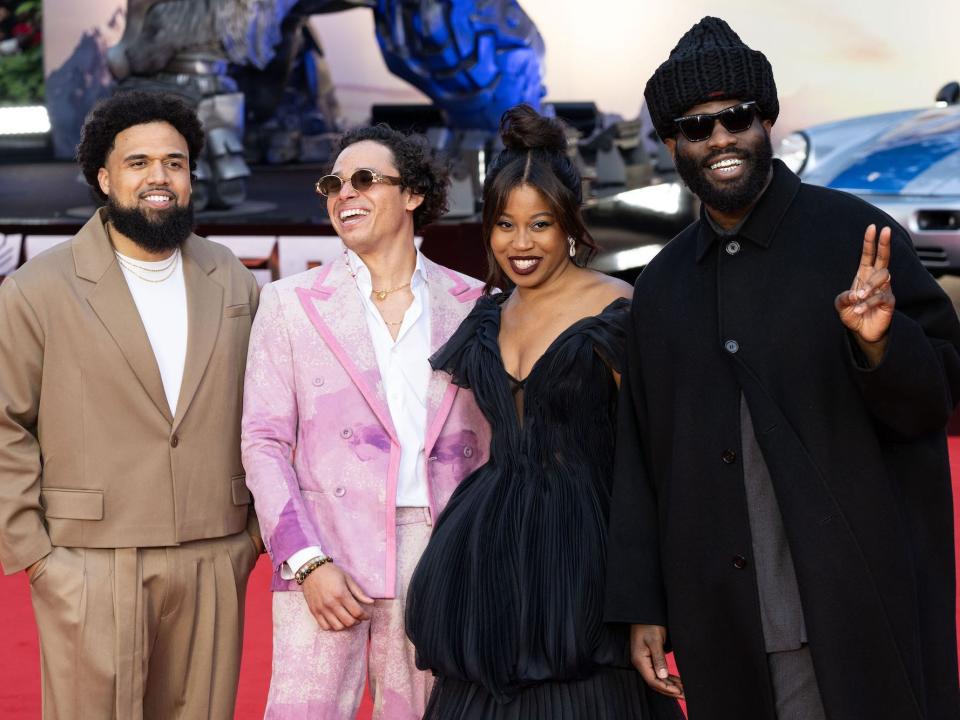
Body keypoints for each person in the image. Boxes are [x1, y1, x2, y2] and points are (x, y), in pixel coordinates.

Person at [605, 16, 960, 720]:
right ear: (673, 143)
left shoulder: (854, 237)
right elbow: (642, 455)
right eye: (696, 127)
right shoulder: (663, 284)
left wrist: (878, 344)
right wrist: (643, 603)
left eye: (735, 118)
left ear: (765, 120)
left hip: (856, 601)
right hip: (724, 609)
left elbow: (937, 399)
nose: (719, 139)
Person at [405, 104, 683, 720]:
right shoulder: (486, 318)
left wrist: (650, 601)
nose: (520, 244)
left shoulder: (617, 309)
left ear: (570, 226)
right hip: (488, 549)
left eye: (541, 225)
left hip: (587, 549)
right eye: (505, 224)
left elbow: (655, 459)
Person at [0, 90, 262, 719]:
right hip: (88, 558)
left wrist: (248, 540)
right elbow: (5, 422)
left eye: (174, 162)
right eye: (138, 162)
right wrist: (35, 555)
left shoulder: (232, 277)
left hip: (214, 550)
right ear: (104, 176)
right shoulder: (38, 288)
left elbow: (271, 406)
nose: (159, 177)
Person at [240, 124, 490, 719]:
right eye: (333, 183)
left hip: (443, 554)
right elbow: (263, 442)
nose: (343, 193)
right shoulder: (289, 303)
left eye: (364, 179)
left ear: (413, 195)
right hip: (326, 554)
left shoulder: (476, 303)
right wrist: (305, 562)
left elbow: (497, 445)